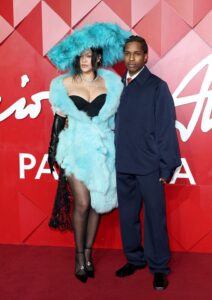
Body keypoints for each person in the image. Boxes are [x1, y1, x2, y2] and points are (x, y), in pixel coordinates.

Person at [47, 22, 130, 283]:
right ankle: (78, 256)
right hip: (74, 149)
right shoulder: (61, 84)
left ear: (98, 57)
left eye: (89, 55)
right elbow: (59, 116)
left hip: (104, 149)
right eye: (81, 56)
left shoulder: (113, 83)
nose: (85, 60)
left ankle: (89, 254)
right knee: (82, 202)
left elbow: (119, 119)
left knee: (97, 205)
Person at [115, 35, 181, 290]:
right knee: (128, 217)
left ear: (145, 57)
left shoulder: (157, 86)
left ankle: (159, 267)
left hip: (149, 166)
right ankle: (134, 259)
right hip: (123, 164)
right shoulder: (116, 86)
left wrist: (167, 166)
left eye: (136, 53)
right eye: (127, 53)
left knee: (155, 218)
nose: (131, 58)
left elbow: (165, 128)